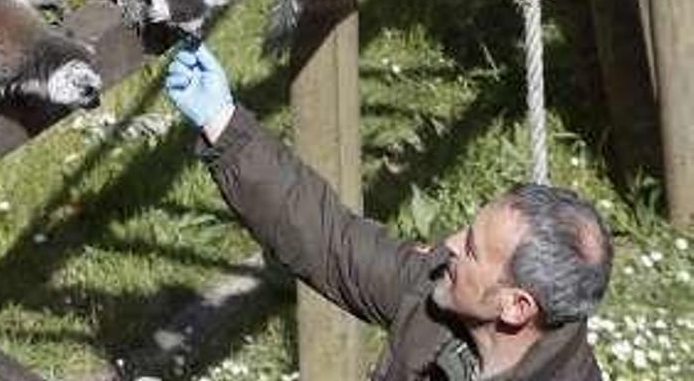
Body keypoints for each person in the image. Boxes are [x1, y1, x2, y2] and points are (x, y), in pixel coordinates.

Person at [163, 42, 613, 380]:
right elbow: (332, 243)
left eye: (472, 250)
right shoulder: (443, 296)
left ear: (517, 307)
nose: (449, 245)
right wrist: (221, 122)